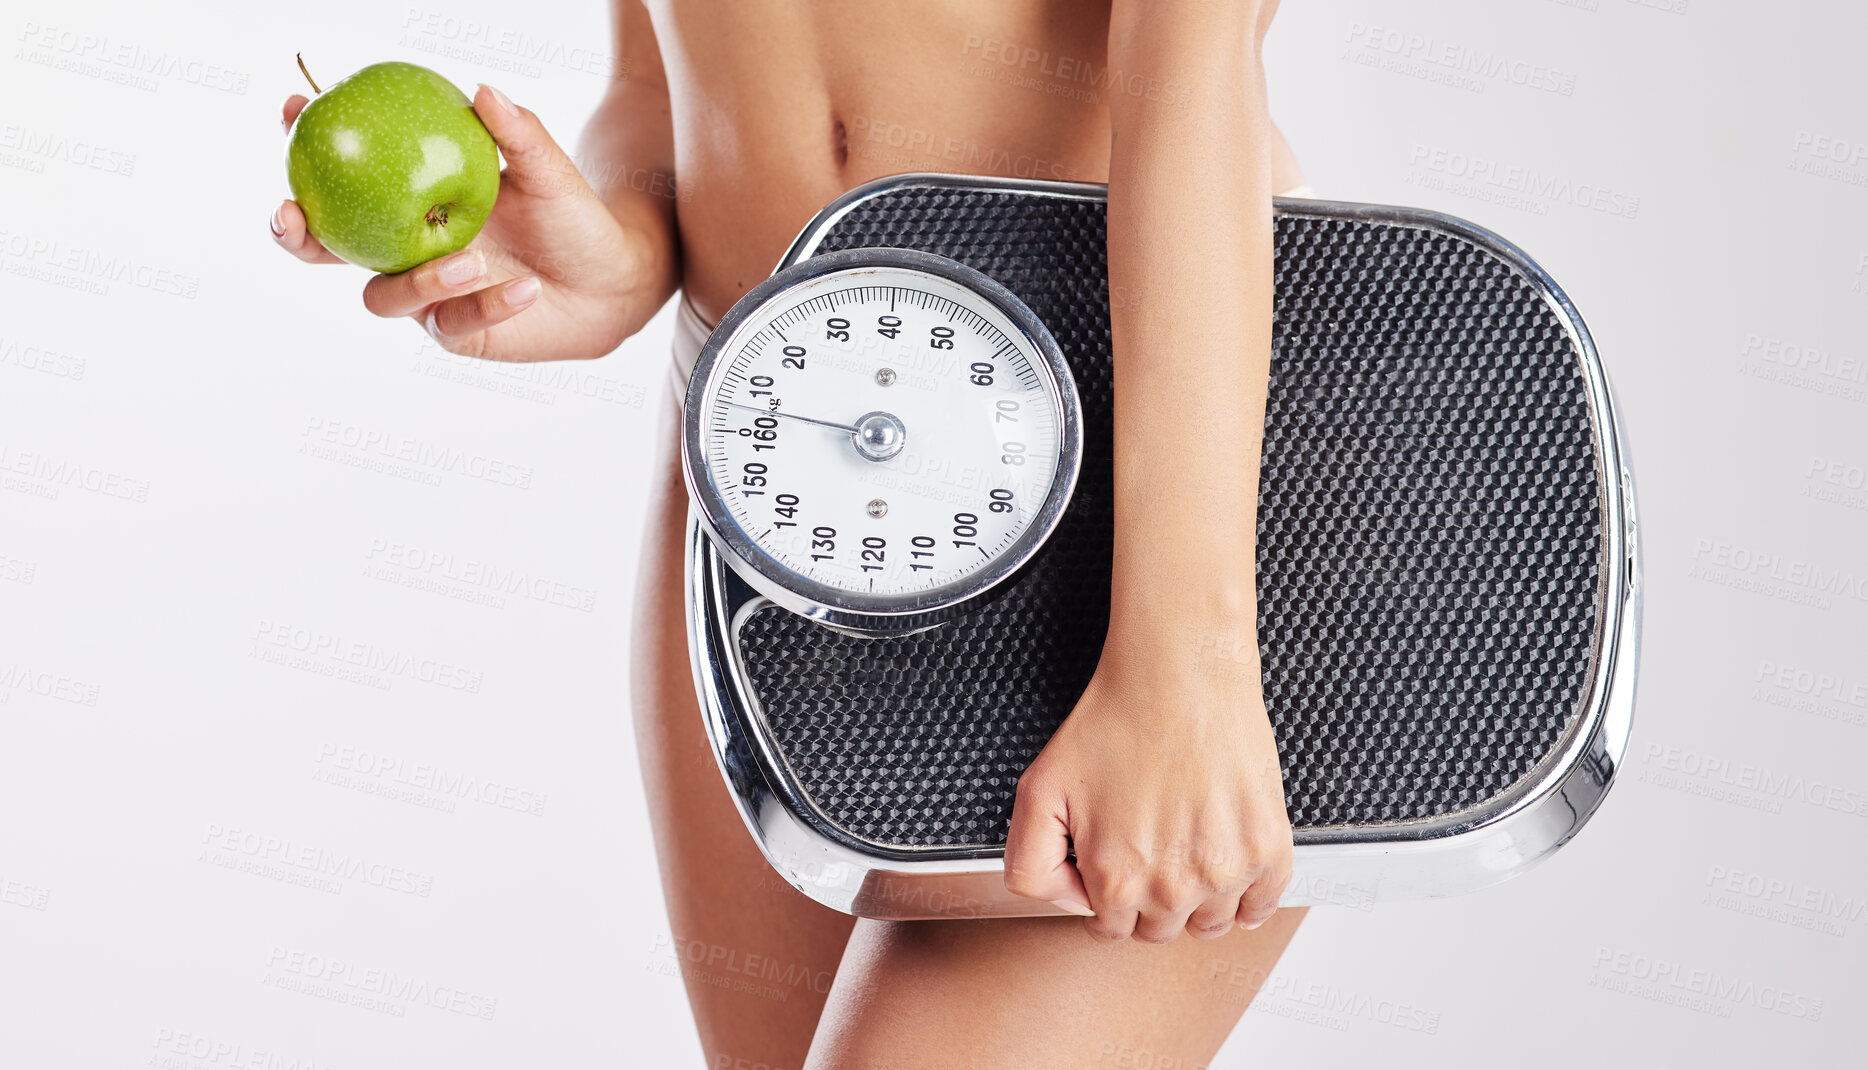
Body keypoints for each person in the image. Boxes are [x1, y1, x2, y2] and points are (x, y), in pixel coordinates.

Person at [270, 2, 1313, 1065]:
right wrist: (625, 253)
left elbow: (1191, 71)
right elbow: (653, 77)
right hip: (766, 459)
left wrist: (1190, 667)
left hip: (1130, 492)